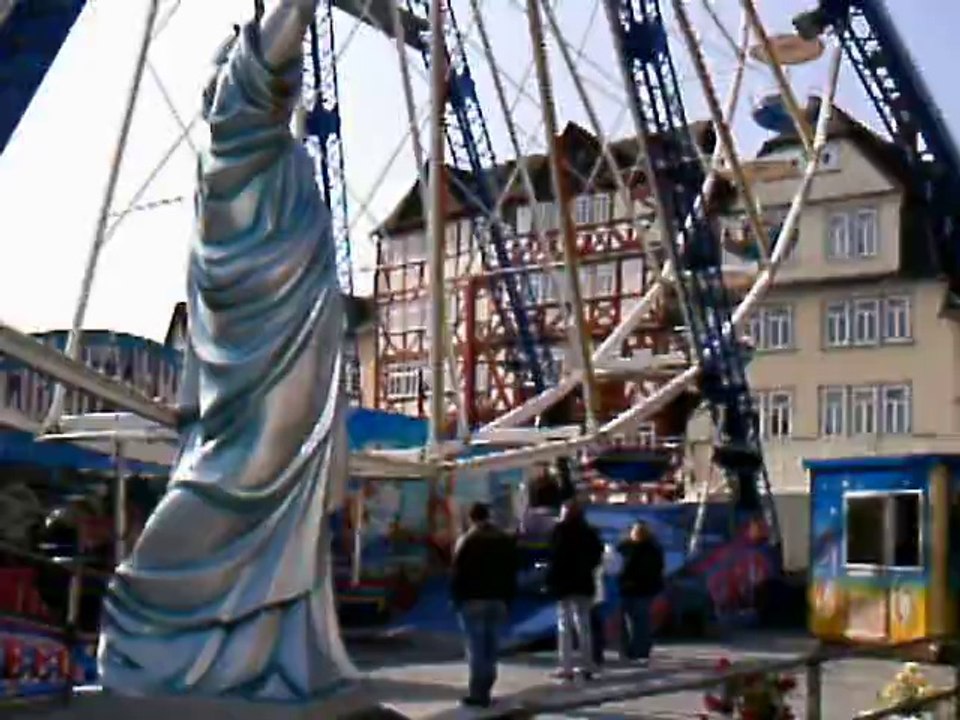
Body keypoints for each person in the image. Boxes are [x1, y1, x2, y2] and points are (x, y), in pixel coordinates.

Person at [450, 502, 518, 709]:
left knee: (476, 647)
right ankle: (487, 688)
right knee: (491, 647)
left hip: (472, 600)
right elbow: (511, 572)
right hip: (497, 600)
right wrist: (508, 599)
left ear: (471, 518)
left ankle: (478, 693)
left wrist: (455, 599)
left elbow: (457, 573)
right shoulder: (504, 540)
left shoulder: (467, 540)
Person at [546, 500, 604, 681]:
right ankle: (587, 665)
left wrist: (550, 580)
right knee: (584, 625)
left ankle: (566, 666)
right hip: (584, 582)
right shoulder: (590, 532)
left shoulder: (559, 531)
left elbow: (553, 557)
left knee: (564, 625)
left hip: (564, 583)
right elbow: (597, 555)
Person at [618, 521, 665, 664]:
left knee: (640, 621)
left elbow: (654, 569)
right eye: (635, 531)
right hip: (627, 589)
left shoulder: (651, 549)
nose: (637, 534)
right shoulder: (624, 547)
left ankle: (640, 650)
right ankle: (631, 650)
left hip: (643, 589)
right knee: (630, 621)